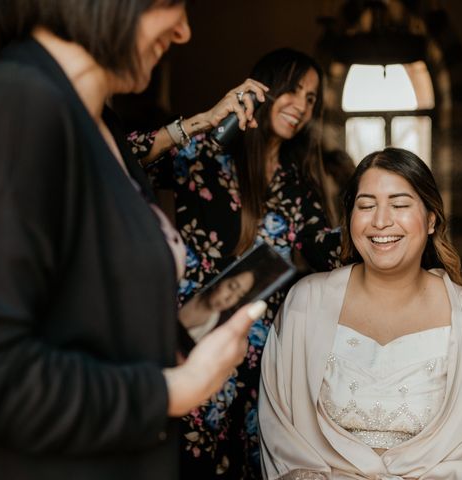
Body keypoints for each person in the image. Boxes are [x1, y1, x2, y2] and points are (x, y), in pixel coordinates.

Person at [0, 1, 267, 479]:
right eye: (170, 4)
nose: (184, 31)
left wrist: (180, 341)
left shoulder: (99, 124)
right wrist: (176, 388)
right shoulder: (15, 109)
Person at [129, 48, 342, 478]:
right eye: (293, 90)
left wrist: (381, 223)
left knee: (250, 467)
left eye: (312, 98)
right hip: (194, 344)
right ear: (263, 88)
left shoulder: (297, 182)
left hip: (261, 358)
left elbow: (324, 248)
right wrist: (201, 120)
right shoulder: (206, 153)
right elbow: (125, 162)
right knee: (188, 465)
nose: (301, 105)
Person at [259, 148, 462, 479]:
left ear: (431, 218)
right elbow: (279, 431)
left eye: (400, 205)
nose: (380, 221)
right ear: (350, 218)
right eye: (366, 205)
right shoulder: (305, 305)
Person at [181, 268, 256, 342]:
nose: (230, 299)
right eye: (232, 286)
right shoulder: (186, 289)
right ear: (220, 279)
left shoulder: (217, 329)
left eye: (239, 296)